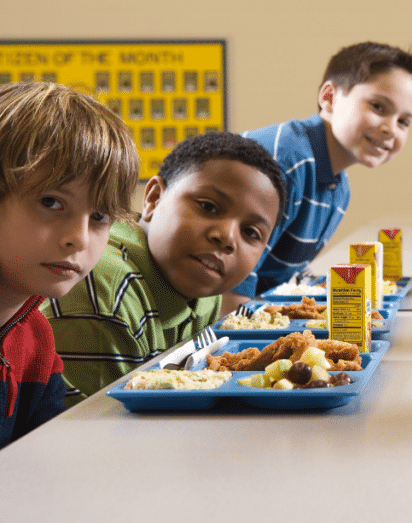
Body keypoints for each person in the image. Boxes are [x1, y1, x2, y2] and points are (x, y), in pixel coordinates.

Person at [43, 132, 286, 406]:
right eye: (208, 207)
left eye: (251, 232)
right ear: (154, 199)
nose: (228, 237)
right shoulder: (107, 296)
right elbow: (99, 427)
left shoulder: (204, 287)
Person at [223, 42, 412, 315]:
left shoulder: (338, 189)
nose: (390, 129)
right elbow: (229, 293)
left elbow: (279, 284)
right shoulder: (286, 161)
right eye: (379, 107)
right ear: (329, 98)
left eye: (404, 122)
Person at [0, 82, 139, 445]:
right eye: (50, 202)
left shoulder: (35, 339)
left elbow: (43, 463)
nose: (79, 237)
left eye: (100, 216)